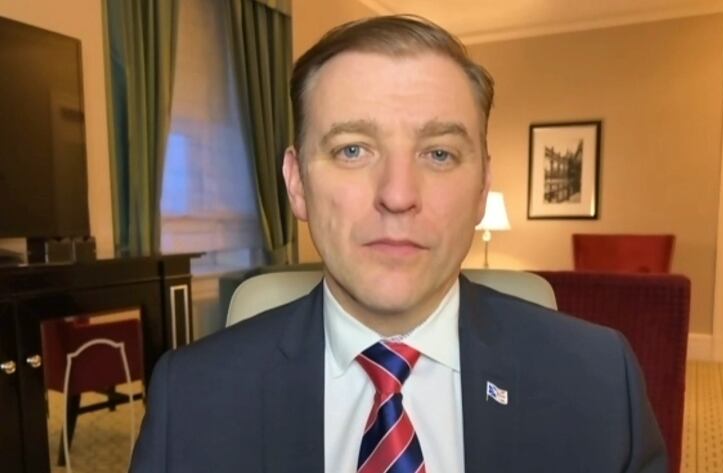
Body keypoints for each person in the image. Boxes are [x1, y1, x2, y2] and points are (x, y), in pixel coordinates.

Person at [130, 15, 666, 473]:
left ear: (482, 187)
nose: (398, 195)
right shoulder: (191, 399)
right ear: (297, 184)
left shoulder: (600, 382)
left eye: (438, 154)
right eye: (353, 150)